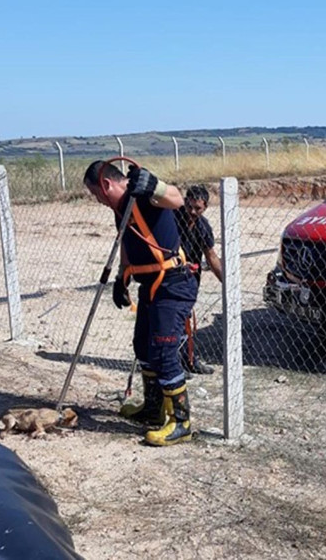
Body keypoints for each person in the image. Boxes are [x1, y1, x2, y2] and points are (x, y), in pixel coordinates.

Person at [83, 160, 197, 447]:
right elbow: (126, 240)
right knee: (143, 346)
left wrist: (153, 184)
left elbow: (176, 198)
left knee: (163, 351)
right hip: (150, 284)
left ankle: (181, 422)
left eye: (96, 194)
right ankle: (153, 409)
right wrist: (122, 277)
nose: (97, 200)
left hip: (174, 284)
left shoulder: (146, 193)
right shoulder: (120, 208)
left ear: (107, 184)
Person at [174, 185, 223, 376]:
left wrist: (227, 284)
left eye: (198, 208)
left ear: (205, 207)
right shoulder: (173, 218)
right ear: (185, 203)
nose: (193, 212)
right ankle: (175, 362)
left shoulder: (204, 227)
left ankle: (189, 359)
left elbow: (211, 256)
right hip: (171, 277)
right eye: (190, 207)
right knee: (175, 321)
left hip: (191, 279)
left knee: (186, 319)